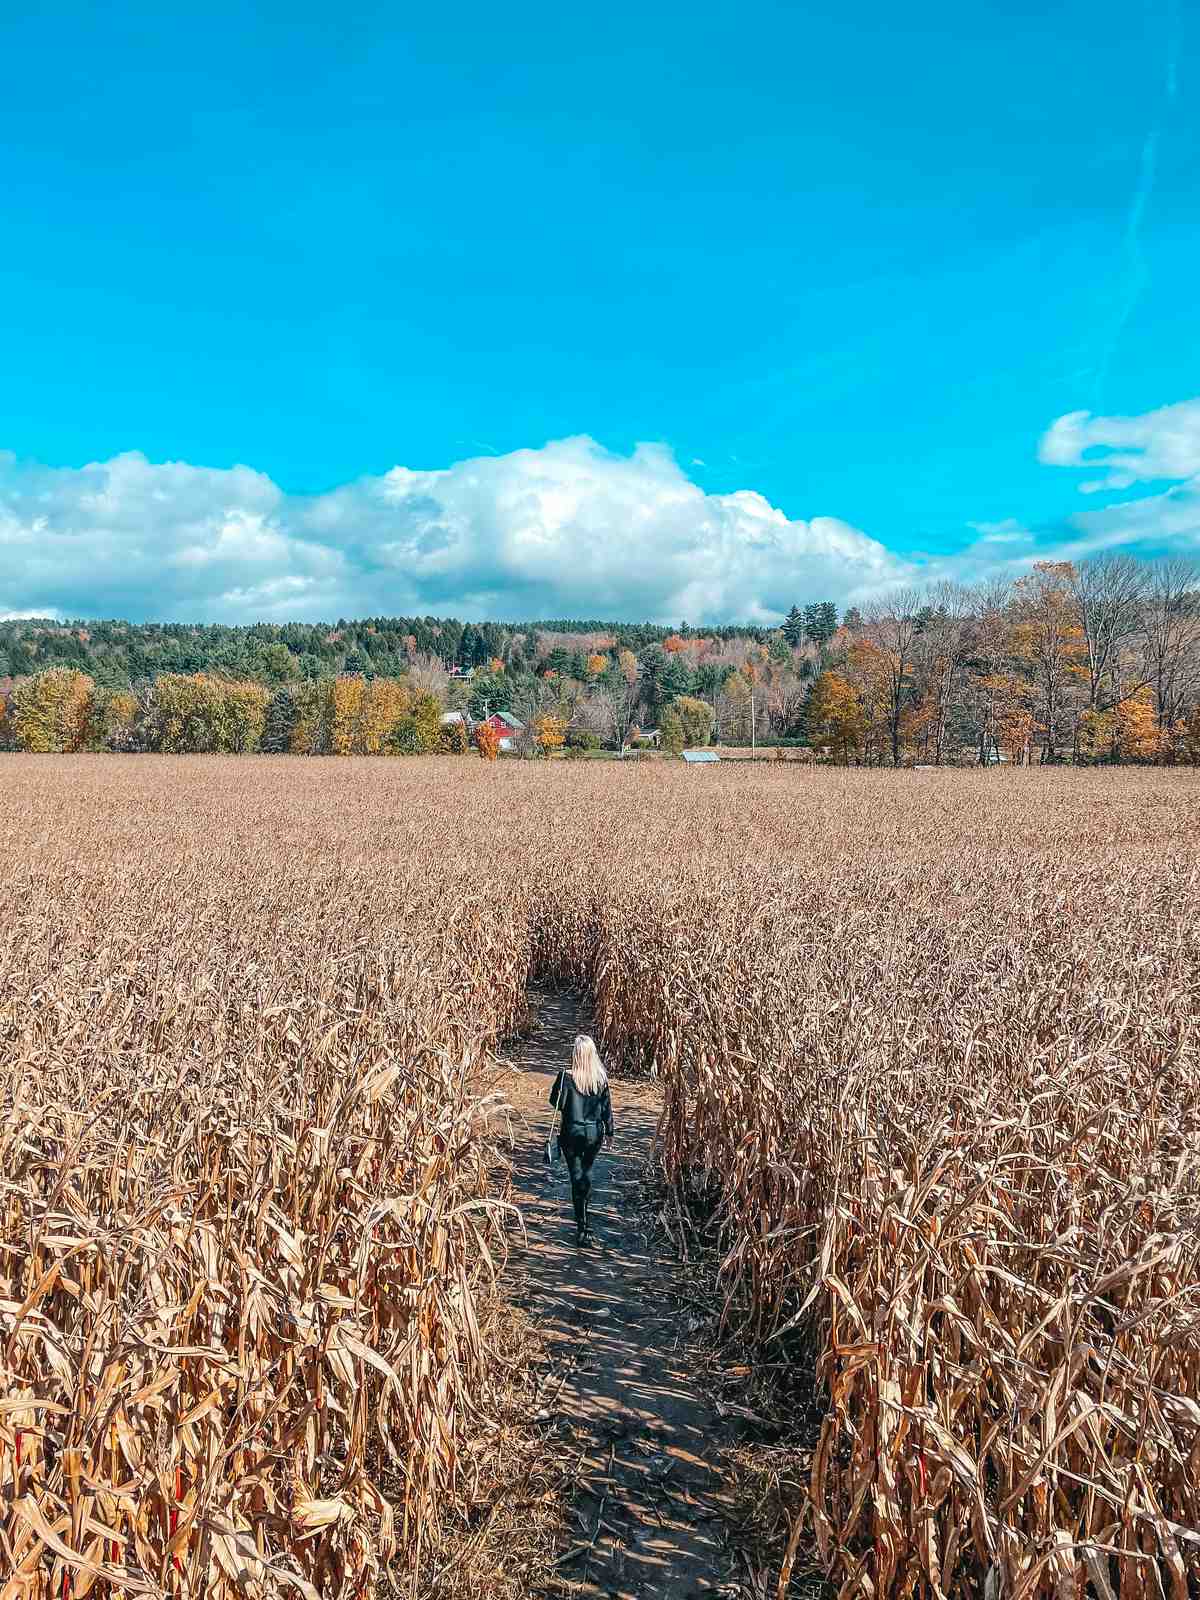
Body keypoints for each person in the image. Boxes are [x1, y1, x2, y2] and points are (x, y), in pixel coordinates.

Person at [549, 1034, 614, 1248]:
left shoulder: (566, 1077)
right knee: (586, 1173)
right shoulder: (600, 1079)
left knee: (576, 1176)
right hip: (594, 1134)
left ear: (576, 1054)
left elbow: (556, 1104)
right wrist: (610, 1132)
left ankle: (582, 1226)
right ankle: (585, 1222)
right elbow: (606, 1109)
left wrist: (562, 1087)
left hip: (572, 1133)